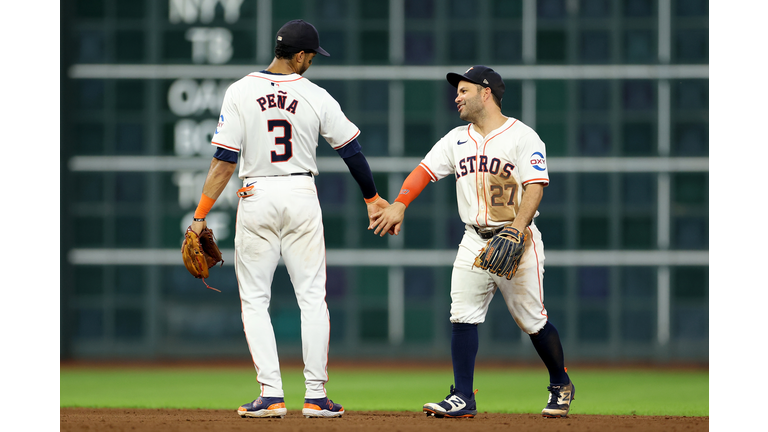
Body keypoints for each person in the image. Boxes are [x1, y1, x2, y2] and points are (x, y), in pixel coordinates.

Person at [188, 19, 389, 419]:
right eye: (310, 56)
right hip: (300, 194)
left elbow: (224, 161)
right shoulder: (315, 96)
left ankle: (271, 394)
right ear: (299, 55)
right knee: (313, 298)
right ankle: (315, 396)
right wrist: (372, 197)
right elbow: (352, 152)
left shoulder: (240, 91)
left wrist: (199, 216)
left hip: (256, 193)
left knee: (255, 301)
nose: (311, 62)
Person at [370, 66, 575, 419]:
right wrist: (401, 203)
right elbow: (424, 171)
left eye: (463, 90)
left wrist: (518, 228)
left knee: (532, 321)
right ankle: (463, 396)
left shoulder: (523, 137)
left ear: (486, 92)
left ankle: (561, 382)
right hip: (473, 239)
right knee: (461, 314)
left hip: (518, 239)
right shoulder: (456, 139)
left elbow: (535, 186)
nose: (457, 97)